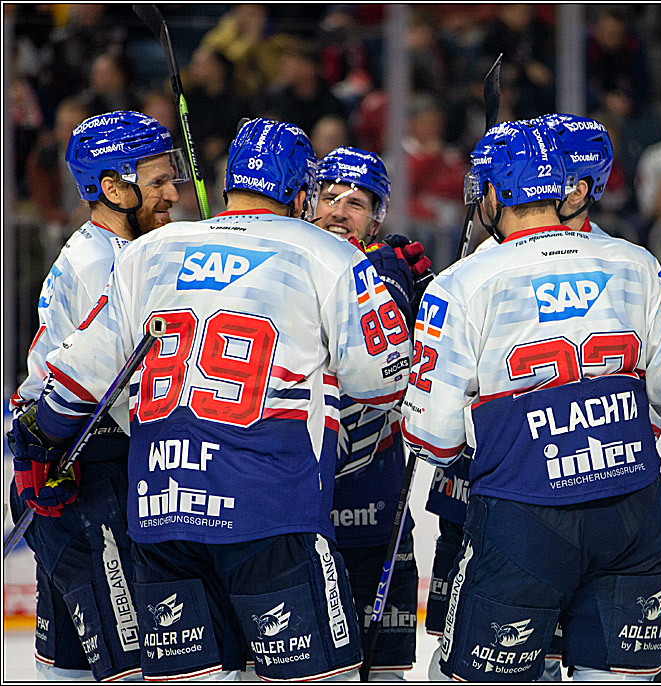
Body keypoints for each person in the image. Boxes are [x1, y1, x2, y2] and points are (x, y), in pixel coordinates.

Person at [11, 118, 411, 681]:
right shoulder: (328, 255)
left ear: (228, 185)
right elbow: (382, 383)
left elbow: (76, 380)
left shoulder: (150, 251)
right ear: (301, 194)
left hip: (161, 514)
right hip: (272, 513)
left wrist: (40, 443)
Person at [403, 119, 661, 681]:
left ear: (495, 193)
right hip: (632, 516)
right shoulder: (635, 263)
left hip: (524, 521)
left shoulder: (462, 283)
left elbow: (432, 440)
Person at [8, 110, 188, 681]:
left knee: (68, 668)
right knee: (130, 666)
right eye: (156, 182)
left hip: (67, 469)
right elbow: (130, 395)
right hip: (84, 475)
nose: (172, 194)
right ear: (112, 188)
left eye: (171, 179)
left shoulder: (108, 252)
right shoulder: (105, 263)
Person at [313, 146, 432, 679]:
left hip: (378, 512)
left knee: (384, 672)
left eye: (356, 202)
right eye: (329, 196)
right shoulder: (294, 264)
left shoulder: (387, 266)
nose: (339, 210)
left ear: (378, 216)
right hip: (302, 520)